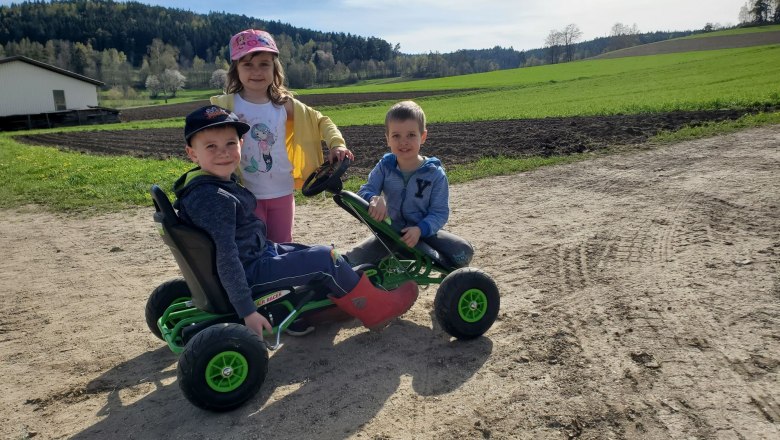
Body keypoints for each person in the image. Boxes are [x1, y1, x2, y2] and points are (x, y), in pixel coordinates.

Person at [172, 105, 418, 338]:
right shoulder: (214, 199)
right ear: (192, 153)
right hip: (251, 271)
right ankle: (374, 308)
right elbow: (226, 257)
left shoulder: (203, 185)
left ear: (241, 143)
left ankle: (326, 305)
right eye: (211, 146)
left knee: (310, 252)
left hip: (257, 253)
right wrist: (247, 311)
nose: (224, 152)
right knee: (325, 259)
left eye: (230, 143)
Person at [210, 29, 353, 244]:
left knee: (282, 245)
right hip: (245, 194)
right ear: (236, 69)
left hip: (282, 192)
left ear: (274, 68)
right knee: (251, 247)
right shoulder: (226, 106)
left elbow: (321, 120)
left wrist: (336, 144)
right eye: (247, 64)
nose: (256, 71)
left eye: (264, 64)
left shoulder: (283, 104)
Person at [344, 101, 474, 268]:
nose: (403, 142)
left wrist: (420, 229)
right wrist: (374, 198)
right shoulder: (385, 166)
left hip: (424, 234)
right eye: (396, 136)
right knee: (349, 261)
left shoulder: (434, 174)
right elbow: (365, 190)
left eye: (411, 135)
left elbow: (439, 212)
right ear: (388, 139)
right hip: (390, 232)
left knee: (463, 253)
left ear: (423, 136)